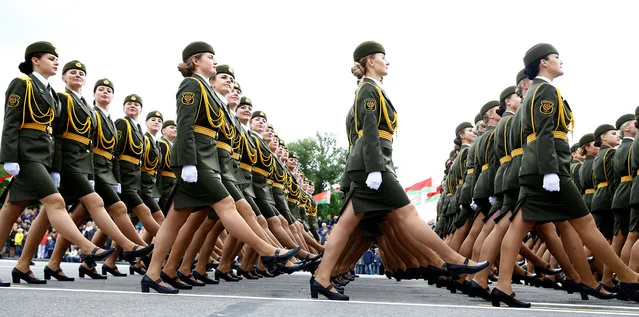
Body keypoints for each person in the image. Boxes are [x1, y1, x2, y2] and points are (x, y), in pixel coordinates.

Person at [310, 41, 488, 301]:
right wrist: (374, 168)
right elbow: (369, 130)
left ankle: (322, 277)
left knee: (348, 223)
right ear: (370, 61)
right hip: (373, 163)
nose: (387, 62)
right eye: (383, 57)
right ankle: (453, 259)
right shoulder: (368, 90)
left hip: (375, 161)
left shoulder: (373, 90)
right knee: (407, 214)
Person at [141, 41, 298, 294]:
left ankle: (157, 272)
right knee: (227, 204)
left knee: (174, 220)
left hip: (205, 158)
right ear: (195, 61)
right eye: (210, 57)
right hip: (196, 160)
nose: (214, 61)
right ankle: (267, 250)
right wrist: (190, 163)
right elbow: (185, 124)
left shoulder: (207, 90)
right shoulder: (191, 84)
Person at [492, 43, 638, 308]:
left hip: (536, 165)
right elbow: (545, 131)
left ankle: (504, 285)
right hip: (548, 166)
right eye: (556, 57)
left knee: (520, 225)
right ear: (543, 63)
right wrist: (550, 170)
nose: (560, 61)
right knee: (586, 225)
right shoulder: (545, 90)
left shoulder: (534, 91)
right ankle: (627, 277)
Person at [0, 42, 114, 287]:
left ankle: (22, 266)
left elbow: (55, 134)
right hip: (25, 154)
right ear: (35, 60)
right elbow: (10, 121)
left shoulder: (50, 93)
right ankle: (87, 247)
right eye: (51, 58)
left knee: (11, 210)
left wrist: (54, 167)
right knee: (55, 201)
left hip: (43, 156)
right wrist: (8, 157)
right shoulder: (23, 83)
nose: (55, 61)